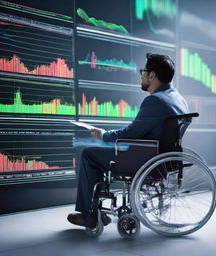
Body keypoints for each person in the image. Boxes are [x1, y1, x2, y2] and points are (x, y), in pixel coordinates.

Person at [68, 53, 188, 228]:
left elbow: (130, 133)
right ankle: (96, 211)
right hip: (162, 159)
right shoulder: (178, 98)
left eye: (143, 71)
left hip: (144, 159)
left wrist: (103, 135)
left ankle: (90, 214)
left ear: (152, 75)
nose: (141, 75)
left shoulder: (155, 101)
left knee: (89, 153)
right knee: (101, 150)